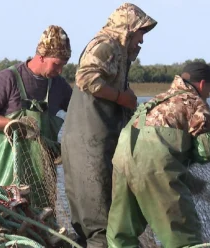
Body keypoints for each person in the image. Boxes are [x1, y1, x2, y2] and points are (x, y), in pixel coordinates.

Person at [61, 3, 157, 247]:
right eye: (140, 33)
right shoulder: (107, 45)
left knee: (93, 223)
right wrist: (120, 97)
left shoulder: (117, 50)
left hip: (92, 144)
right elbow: (86, 78)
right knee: (99, 225)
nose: (142, 41)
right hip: (90, 147)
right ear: (127, 29)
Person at [106, 62, 210, 248]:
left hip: (122, 157)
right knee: (183, 236)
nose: (209, 95)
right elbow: (205, 151)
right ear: (203, 84)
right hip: (153, 161)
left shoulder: (157, 99)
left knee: (121, 235)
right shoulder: (196, 103)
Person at [0, 25, 72, 209]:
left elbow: (79, 115)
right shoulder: (8, 78)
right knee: (7, 220)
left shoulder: (59, 86)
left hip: (43, 181)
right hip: (7, 177)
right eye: (56, 64)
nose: (60, 70)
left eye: (63, 65)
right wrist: (12, 124)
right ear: (41, 56)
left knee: (43, 226)